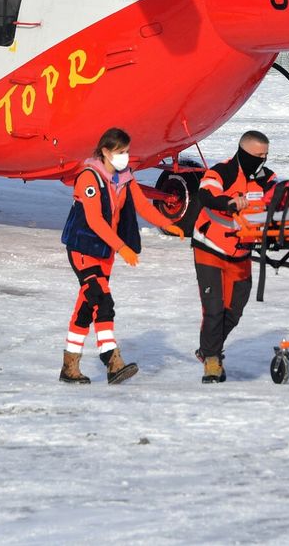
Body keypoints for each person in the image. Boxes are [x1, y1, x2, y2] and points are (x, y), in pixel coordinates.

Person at [59, 127, 185, 385]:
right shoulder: (89, 178)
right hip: (84, 249)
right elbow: (94, 221)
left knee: (86, 307)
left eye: (126, 152)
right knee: (103, 301)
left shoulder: (124, 177)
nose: (125, 157)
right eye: (120, 152)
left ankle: (69, 366)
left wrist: (167, 223)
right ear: (105, 152)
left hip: (105, 253)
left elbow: (140, 205)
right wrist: (122, 247)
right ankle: (112, 360)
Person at [191, 130, 276, 383]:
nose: (263, 160)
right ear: (245, 153)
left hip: (241, 250)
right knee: (214, 308)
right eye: (258, 155)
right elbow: (206, 193)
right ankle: (213, 362)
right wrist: (230, 202)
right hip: (209, 245)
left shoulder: (267, 177)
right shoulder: (221, 171)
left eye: (266, 155)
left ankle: (208, 348)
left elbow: (275, 199)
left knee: (234, 309)